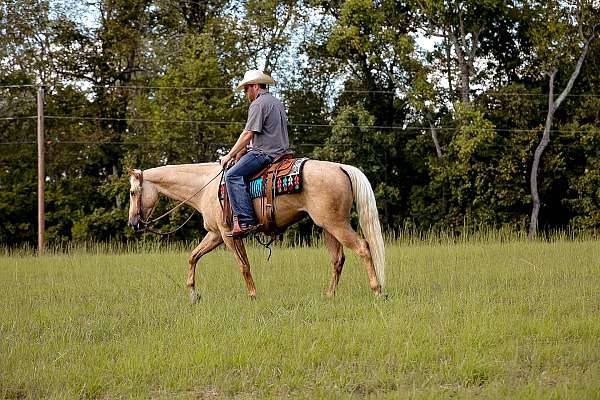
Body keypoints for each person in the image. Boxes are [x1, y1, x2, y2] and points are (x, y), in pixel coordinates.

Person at [220, 70, 291, 238]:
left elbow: (248, 134)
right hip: (282, 152)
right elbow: (266, 133)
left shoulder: (258, 104)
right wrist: (243, 150)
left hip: (265, 154)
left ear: (255, 86)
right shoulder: (276, 102)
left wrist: (229, 155)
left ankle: (245, 221)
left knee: (231, 175)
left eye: (246, 89)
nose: (246, 94)